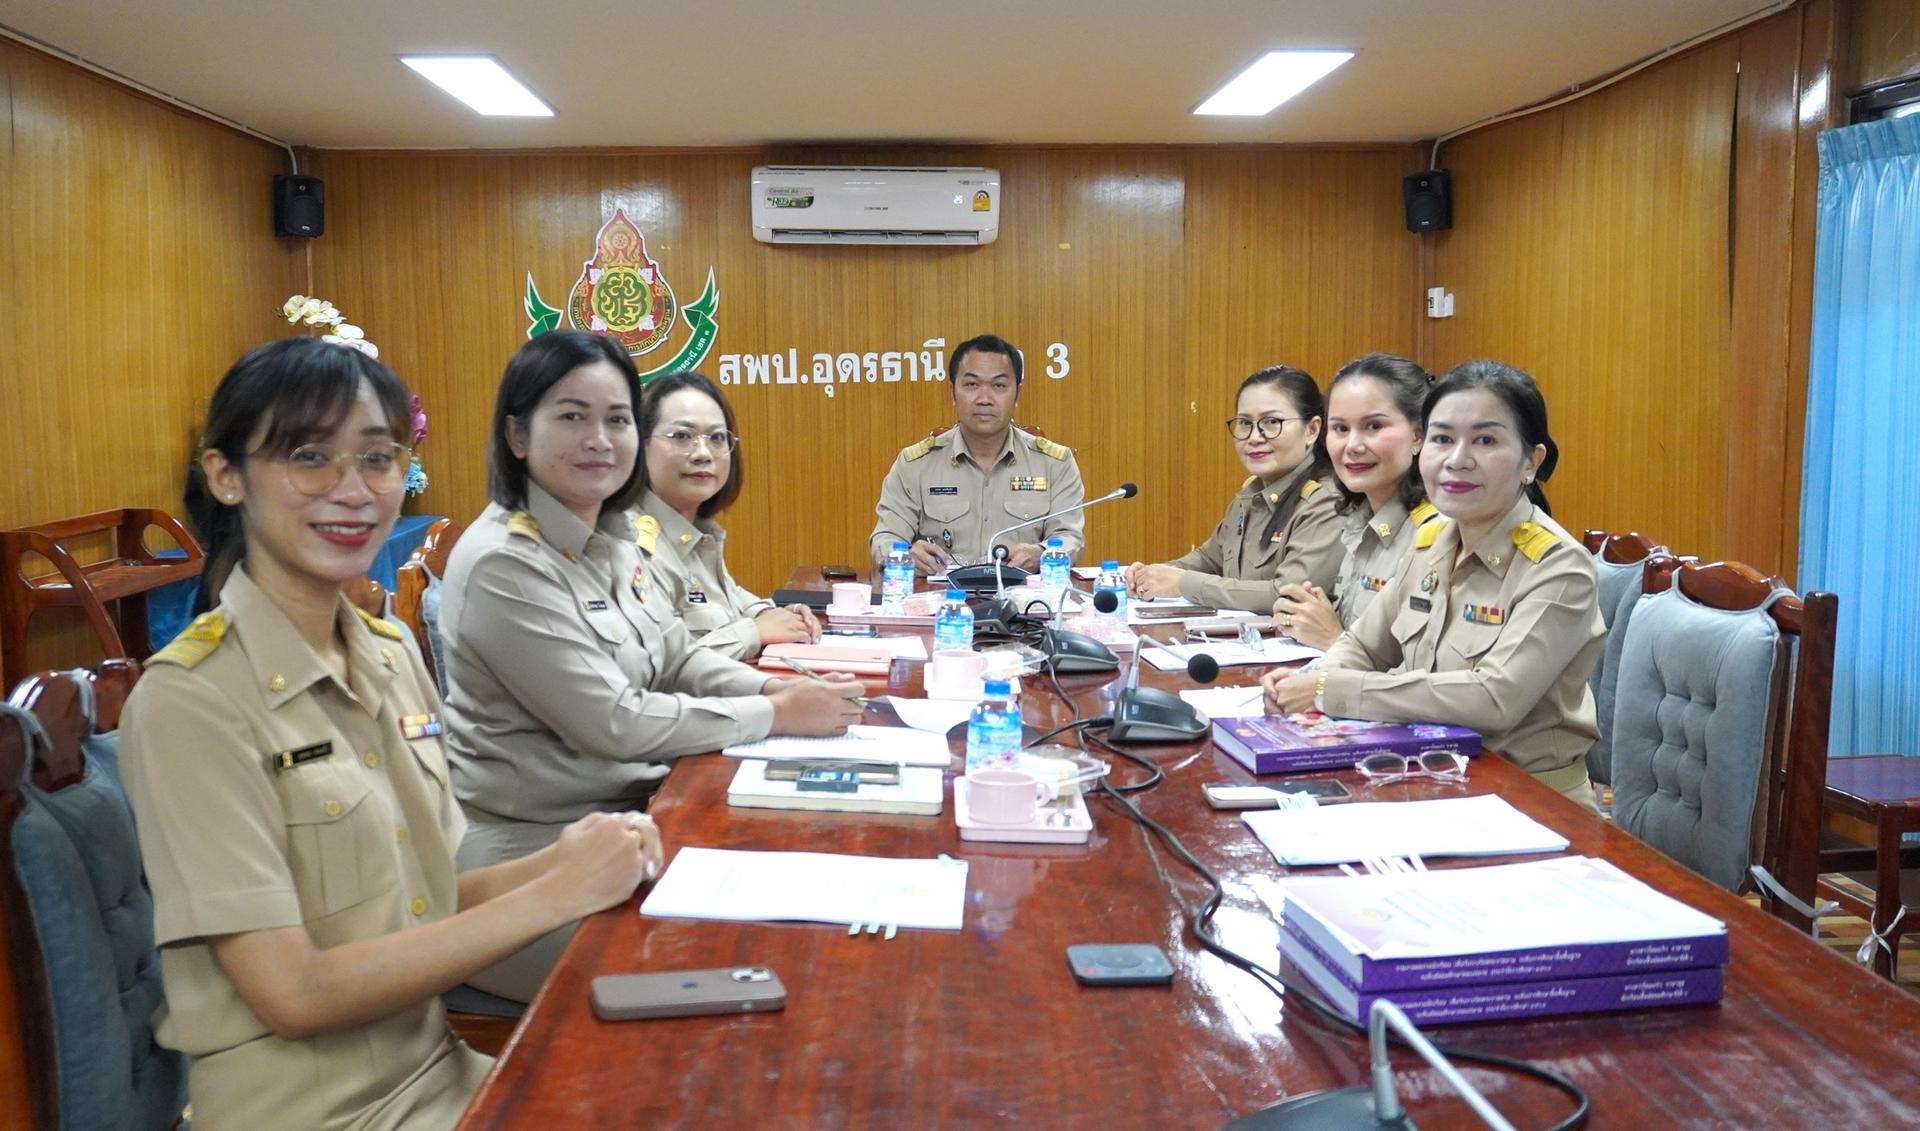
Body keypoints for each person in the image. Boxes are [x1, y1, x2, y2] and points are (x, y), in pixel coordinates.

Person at [119, 337, 662, 1131]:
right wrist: (558, 889)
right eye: (309, 456)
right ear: (225, 475)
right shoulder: (191, 702)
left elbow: (426, 898)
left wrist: (577, 853)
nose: (354, 491)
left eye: (376, 459)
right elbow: (295, 992)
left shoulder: (387, 652)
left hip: (440, 1075)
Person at [439, 330, 863, 1000]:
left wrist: (776, 685)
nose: (600, 440)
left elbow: (676, 653)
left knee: (812, 888)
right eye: (572, 416)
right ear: (518, 435)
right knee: (740, 958)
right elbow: (612, 721)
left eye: (616, 420)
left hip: (638, 817)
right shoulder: (506, 561)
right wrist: (773, 712)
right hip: (533, 859)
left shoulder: (606, 533)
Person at [1261, 359, 1603, 809]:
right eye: (1442, 439)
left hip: (1529, 802)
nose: (1457, 460)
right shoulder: (1431, 544)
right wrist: (1308, 679)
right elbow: (1364, 647)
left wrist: (1329, 692)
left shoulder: (1559, 567)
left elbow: (1492, 698)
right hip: (1434, 783)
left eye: (1485, 439)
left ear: (1530, 462)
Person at [636, 370, 820, 660]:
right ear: (638, 445)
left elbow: (729, 598)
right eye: (682, 436)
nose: (703, 453)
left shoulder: (696, 532)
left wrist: (776, 615)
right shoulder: (631, 544)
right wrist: (754, 632)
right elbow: (653, 667)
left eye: (717, 438)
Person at [1127, 365, 1343, 611]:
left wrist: (1184, 584)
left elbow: (1288, 595)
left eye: (1272, 422)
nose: (1254, 437)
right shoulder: (1252, 493)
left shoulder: (1327, 501)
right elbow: (1209, 559)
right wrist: (1156, 574)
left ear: (1312, 430)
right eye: (1244, 423)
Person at [869, 333, 1085, 574]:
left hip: (1025, 603)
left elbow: (1069, 537)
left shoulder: (1055, 464)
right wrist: (904, 555)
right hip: (943, 604)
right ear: (952, 392)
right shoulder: (915, 465)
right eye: (972, 385)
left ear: (1017, 394)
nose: (984, 399)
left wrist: (1042, 554)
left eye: (999, 386)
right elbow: (884, 538)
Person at [1270, 353, 1443, 647]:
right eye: (1340, 429)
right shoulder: (1360, 519)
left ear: (1418, 434)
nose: (1352, 445)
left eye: (1374, 426)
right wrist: (1303, 617)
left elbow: (1429, 679)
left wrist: (1332, 640)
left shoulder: (1438, 534)